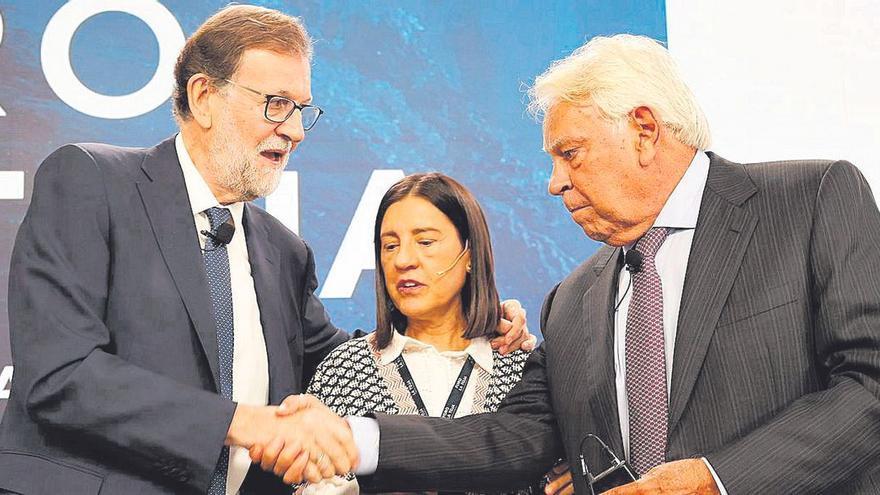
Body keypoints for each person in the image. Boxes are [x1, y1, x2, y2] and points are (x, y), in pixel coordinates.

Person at [265, 34, 880, 494]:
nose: (555, 182)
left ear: (643, 129)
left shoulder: (811, 200)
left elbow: (870, 384)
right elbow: (514, 438)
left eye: (570, 153)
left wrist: (714, 480)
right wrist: (354, 438)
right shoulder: (572, 300)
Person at [0, 6, 532, 495]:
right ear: (205, 96)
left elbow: (353, 364)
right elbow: (59, 373)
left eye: (302, 109)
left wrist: (475, 321)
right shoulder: (93, 181)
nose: (296, 130)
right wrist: (240, 421)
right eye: (278, 105)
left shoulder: (284, 252)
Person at [262, 173, 551, 494]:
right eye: (390, 246)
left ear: (469, 253)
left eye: (425, 242)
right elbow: (306, 481)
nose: (403, 260)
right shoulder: (346, 369)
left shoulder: (521, 366)